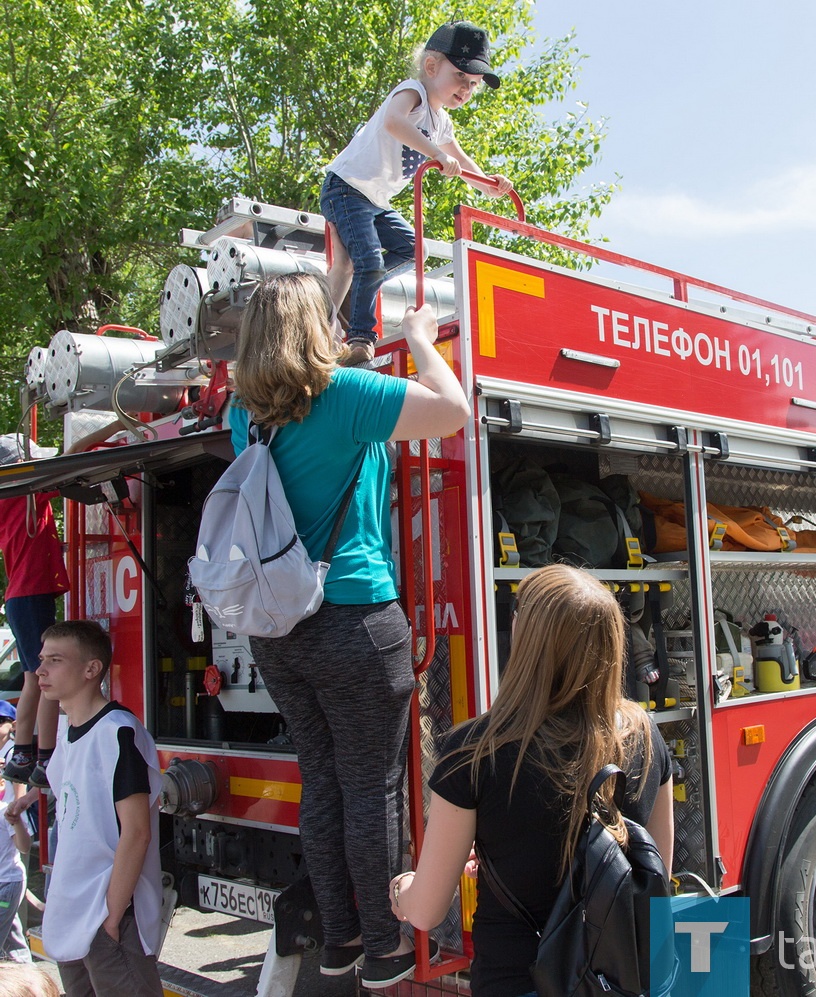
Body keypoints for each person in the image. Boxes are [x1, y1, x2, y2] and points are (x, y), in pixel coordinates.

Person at [228, 272, 470, 988]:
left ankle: (340, 938)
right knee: (373, 787)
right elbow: (451, 410)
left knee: (324, 783)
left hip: (277, 632)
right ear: (314, 332)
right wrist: (421, 341)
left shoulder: (246, 415)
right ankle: (390, 947)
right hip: (355, 616)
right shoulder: (342, 397)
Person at [388, 564, 675, 997]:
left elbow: (427, 911)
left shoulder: (474, 751)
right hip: (619, 981)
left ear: (526, 636)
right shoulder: (646, 736)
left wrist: (402, 889)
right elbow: (655, 873)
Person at [320, 20, 513, 366]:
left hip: (374, 201)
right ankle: (362, 336)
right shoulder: (413, 92)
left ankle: (363, 282)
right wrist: (436, 154)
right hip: (347, 187)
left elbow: (462, 162)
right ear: (431, 66)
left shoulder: (442, 123)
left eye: (473, 85)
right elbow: (395, 122)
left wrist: (488, 184)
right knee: (368, 260)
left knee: (413, 250)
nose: (466, 89)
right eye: (460, 78)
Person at [32, 620, 163, 997]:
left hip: (108, 919)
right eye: (42, 659)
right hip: (75, 916)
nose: (41, 670)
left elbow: (137, 833)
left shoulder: (117, 731)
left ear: (92, 669)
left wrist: (112, 913)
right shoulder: (65, 734)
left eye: (55, 660)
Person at [0, 435, 68, 791]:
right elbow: (69, 461)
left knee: (35, 677)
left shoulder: (14, 499)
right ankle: (38, 753)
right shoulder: (27, 494)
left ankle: (27, 752)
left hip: (23, 596)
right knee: (41, 679)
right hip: (28, 594)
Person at [0, 773, 31, 965]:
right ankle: (32, 982)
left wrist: (17, 822)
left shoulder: (5, 813)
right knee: (12, 942)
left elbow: (24, 846)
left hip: (7, 886)